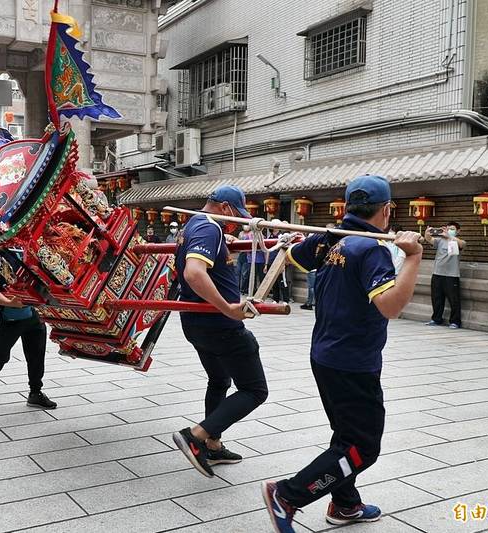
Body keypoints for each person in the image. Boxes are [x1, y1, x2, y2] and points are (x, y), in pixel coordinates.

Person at [262, 175, 423, 532]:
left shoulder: (330, 239)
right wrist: (413, 258)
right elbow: (391, 306)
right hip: (352, 362)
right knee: (363, 447)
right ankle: (287, 495)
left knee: (345, 435)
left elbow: (293, 256)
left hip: (325, 355)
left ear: (348, 207)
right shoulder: (371, 248)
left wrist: (309, 238)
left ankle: (345, 505)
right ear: (386, 210)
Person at [171, 185, 268, 478]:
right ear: (225, 208)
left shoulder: (195, 224)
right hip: (220, 325)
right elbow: (194, 272)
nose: (234, 221)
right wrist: (228, 308)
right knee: (254, 389)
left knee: (218, 379)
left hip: (195, 321)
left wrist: (222, 240)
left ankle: (213, 444)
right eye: (234, 215)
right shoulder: (207, 227)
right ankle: (196, 436)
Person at [0, 256, 57, 411]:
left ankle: (35, 392)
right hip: (8, 316)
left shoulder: (22, 252)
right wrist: (9, 302)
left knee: (37, 354)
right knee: (0, 355)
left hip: (33, 313)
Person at [425, 222, 465, 329]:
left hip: (452, 275)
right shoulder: (439, 241)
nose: (449, 230)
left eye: (452, 229)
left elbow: (462, 244)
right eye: (447, 229)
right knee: (436, 298)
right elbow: (429, 239)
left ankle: (455, 321)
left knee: (454, 300)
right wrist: (427, 233)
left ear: (458, 231)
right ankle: (436, 319)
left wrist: (450, 236)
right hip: (437, 273)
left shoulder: (457, 241)